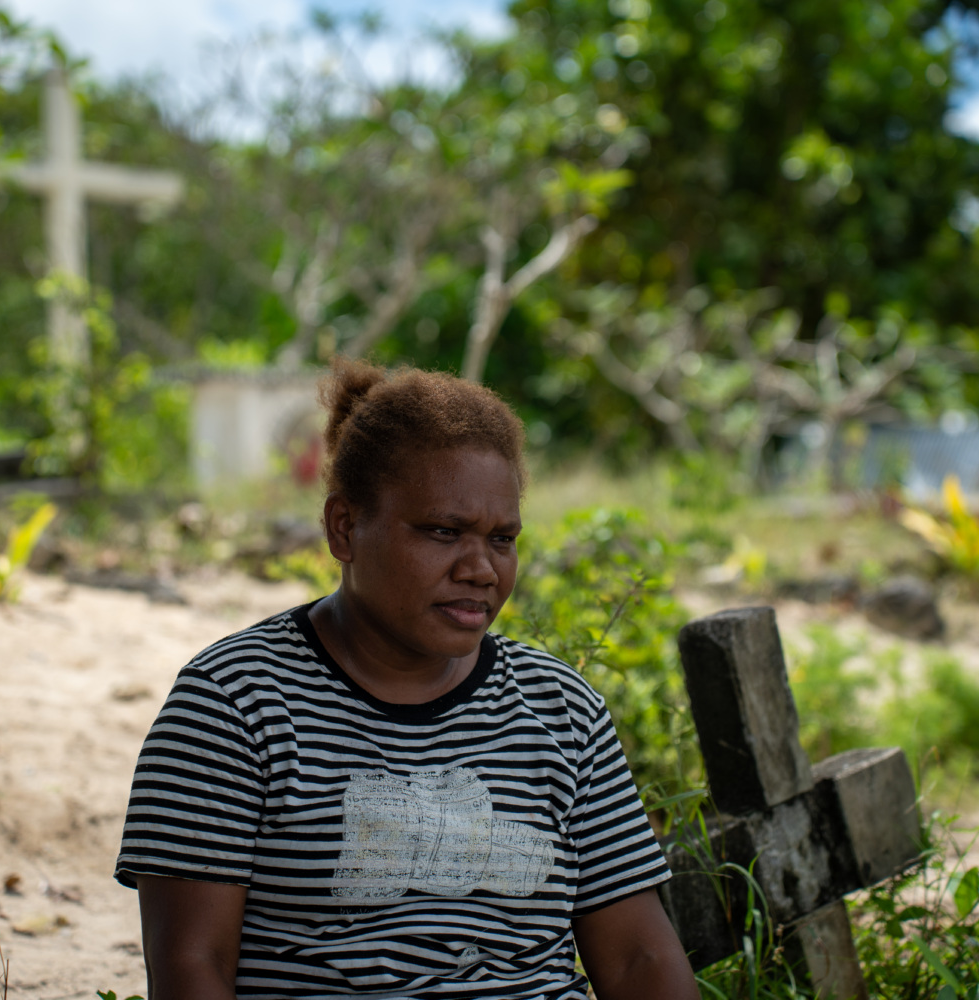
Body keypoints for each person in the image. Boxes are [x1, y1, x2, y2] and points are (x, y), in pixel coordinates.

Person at [115, 359, 699, 1000]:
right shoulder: (234, 704)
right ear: (344, 528)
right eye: (443, 532)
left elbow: (640, 958)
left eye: (502, 539)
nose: (480, 568)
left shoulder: (562, 710)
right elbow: (192, 966)